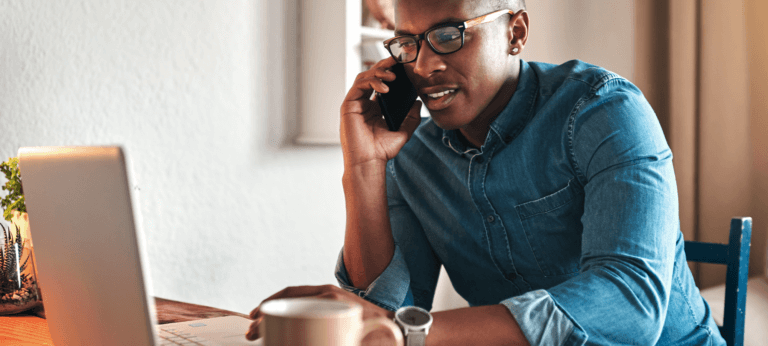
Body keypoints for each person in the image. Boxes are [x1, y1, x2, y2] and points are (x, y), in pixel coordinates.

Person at [247, 0, 726, 344]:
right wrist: (364, 168)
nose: (425, 64)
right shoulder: (414, 154)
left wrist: (401, 332)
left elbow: (629, 305)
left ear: (515, 32)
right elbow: (384, 318)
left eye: (450, 35)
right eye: (408, 43)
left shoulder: (603, 111)